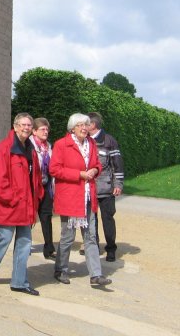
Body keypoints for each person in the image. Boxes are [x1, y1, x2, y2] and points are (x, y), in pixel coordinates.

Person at [0, 113, 44, 296]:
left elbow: (35, 178)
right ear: (15, 126)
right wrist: (14, 200)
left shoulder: (31, 150)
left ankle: (19, 282)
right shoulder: (4, 149)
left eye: (29, 125)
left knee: (25, 243)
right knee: (3, 239)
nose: (26, 128)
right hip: (9, 206)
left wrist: (36, 201)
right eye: (23, 125)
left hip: (26, 207)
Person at [50, 113, 111, 286]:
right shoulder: (61, 145)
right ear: (72, 128)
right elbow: (54, 169)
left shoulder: (91, 143)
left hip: (88, 196)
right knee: (67, 237)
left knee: (91, 236)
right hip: (70, 197)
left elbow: (97, 164)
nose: (84, 128)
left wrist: (95, 171)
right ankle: (61, 269)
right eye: (80, 125)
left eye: (86, 124)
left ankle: (96, 275)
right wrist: (79, 174)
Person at [88, 112, 124, 262]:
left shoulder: (109, 141)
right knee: (90, 220)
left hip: (106, 188)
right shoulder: (84, 140)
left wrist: (118, 184)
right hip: (89, 188)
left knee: (107, 218)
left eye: (86, 124)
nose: (83, 126)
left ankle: (111, 249)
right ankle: (93, 246)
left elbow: (117, 163)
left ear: (93, 125)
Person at [30, 117, 55, 259]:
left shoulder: (48, 146)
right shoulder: (29, 146)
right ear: (34, 131)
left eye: (47, 129)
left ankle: (49, 248)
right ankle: (24, 246)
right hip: (32, 186)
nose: (46, 132)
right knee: (28, 218)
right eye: (42, 129)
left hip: (45, 185)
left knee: (46, 216)